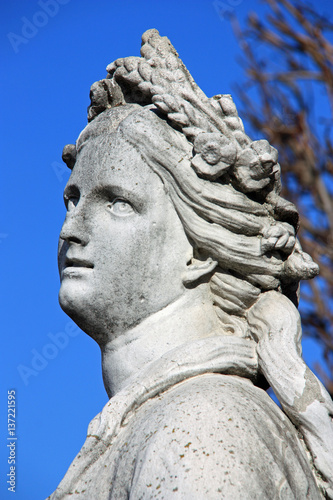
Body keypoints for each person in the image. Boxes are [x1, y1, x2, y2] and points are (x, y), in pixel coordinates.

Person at [49, 29, 333, 499]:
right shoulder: (166, 416)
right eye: (71, 201)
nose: (69, 230)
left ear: (200, 252)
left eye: (116, 202)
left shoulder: (201, 422)